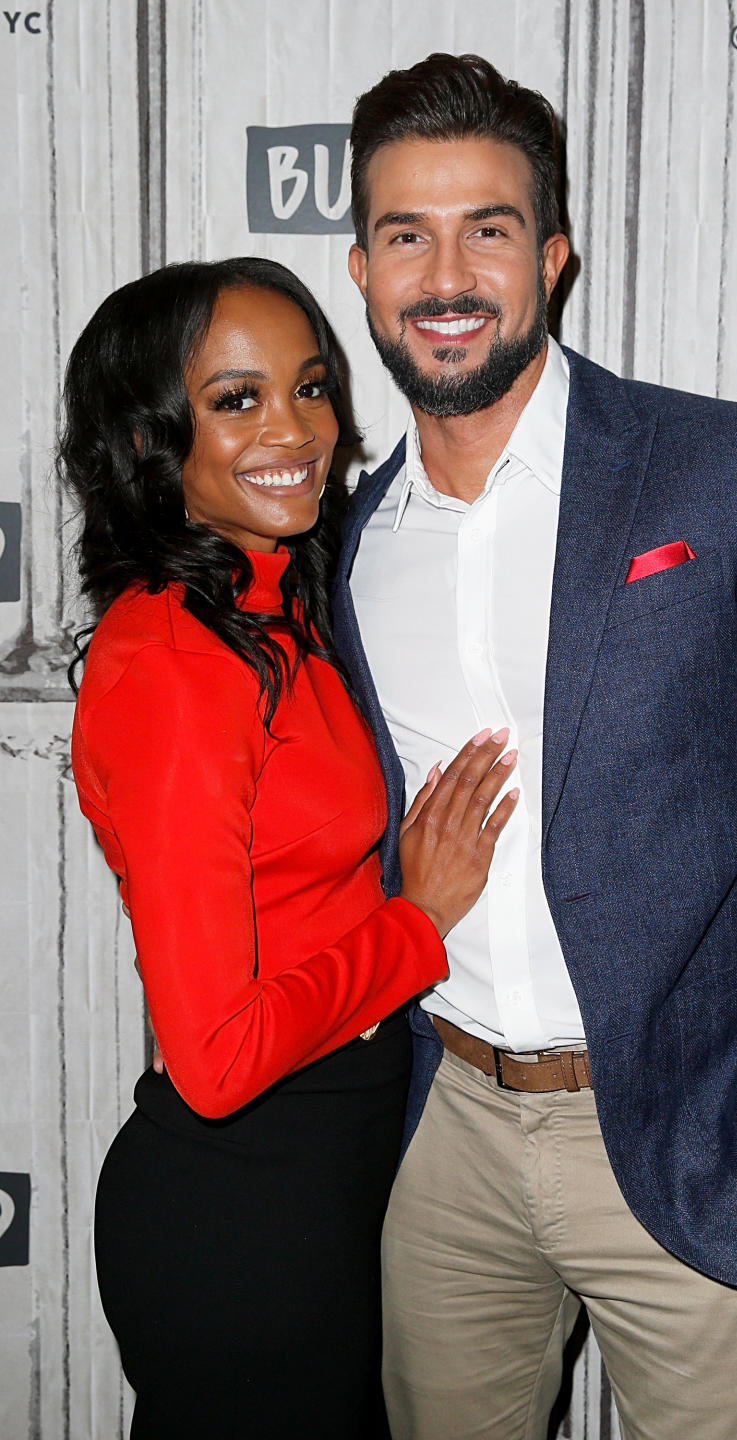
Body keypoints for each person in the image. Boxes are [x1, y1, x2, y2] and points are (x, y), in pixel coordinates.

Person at [331, 53, 737, 1440]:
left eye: (487, 227)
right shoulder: (349, 546)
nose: (448, 272)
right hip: (446, 1138)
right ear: (361, 271)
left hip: (704, 1123)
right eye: (407, 235)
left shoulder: (733, 468)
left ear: (552, 254)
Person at [60, 255, 518, 1439]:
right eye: (236, 398)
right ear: (152, 439)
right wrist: (416, 923)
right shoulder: (172, 662)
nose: (295, 430)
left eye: (311, 388)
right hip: (246, 1204)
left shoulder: (280, 609)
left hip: (335, 1172)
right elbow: (215, 1058)